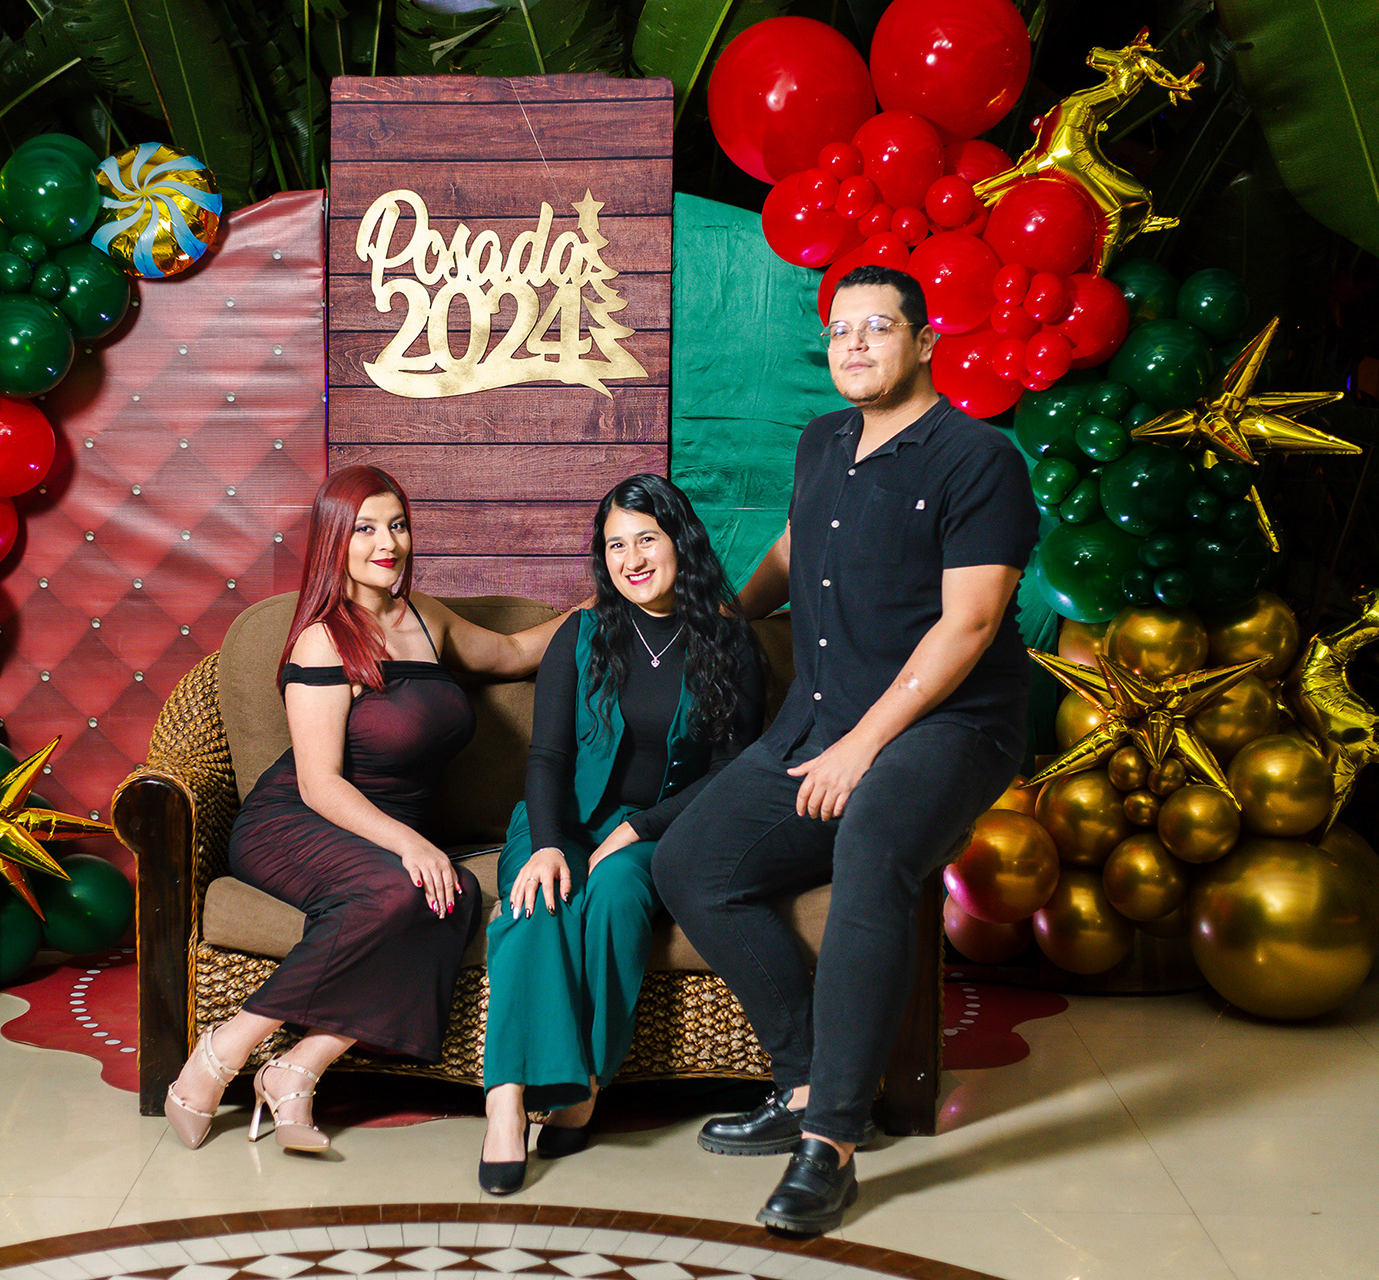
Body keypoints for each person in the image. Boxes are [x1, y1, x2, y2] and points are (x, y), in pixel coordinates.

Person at [653, 265, 1038, 1235]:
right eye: (840, 330)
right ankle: (802, 1082)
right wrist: (726, 619)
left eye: (877, 326)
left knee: (872, 847)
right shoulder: (822, 439)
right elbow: (794, 548)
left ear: (925, 341)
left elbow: (969, 624)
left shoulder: (979, 458)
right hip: (821, 718)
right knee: (691, 863)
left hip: (951, 724)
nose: (855, 344)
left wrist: (864, 748)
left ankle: (830, 1143)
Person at [164, 464, 575, 1153]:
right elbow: (319, 783)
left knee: (450, 898)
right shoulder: (324, 638)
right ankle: (223, 1049)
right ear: (335, 540)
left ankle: (298, 1068)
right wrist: (412, 844)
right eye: (365, 529)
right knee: (402, 890)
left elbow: (511, 652)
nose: (388, 543)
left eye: (398, 525)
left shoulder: (425, 618)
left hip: (373, 833)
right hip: (294, 823)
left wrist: (603, 605)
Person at [477, 475, 765, 1195]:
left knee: (613, 895)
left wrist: (640, 827)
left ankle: (585, 1084)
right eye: (614, 545)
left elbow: (731, 774)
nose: (631, 559)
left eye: (646, 539)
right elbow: (547, 756)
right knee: (537, 899)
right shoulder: (579, 634)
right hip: (560, 819)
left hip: (663, 828)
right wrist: (548, 842)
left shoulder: (730, 641)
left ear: (680, 542)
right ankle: (505, 1102)